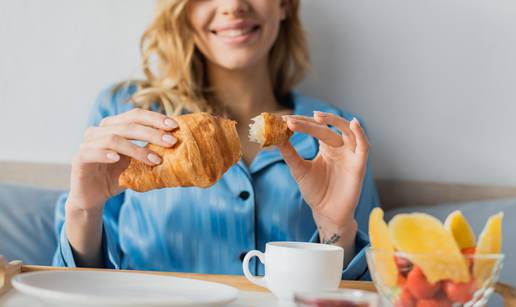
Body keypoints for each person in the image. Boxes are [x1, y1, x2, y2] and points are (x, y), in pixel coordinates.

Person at [53, 0, 379, 280]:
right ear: (182, 10)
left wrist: (336, 228)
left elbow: (368, 290)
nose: (233, 6)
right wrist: (83, 210)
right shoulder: (123, 113)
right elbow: (74, 288)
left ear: (283, 5)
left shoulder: (336, 135)